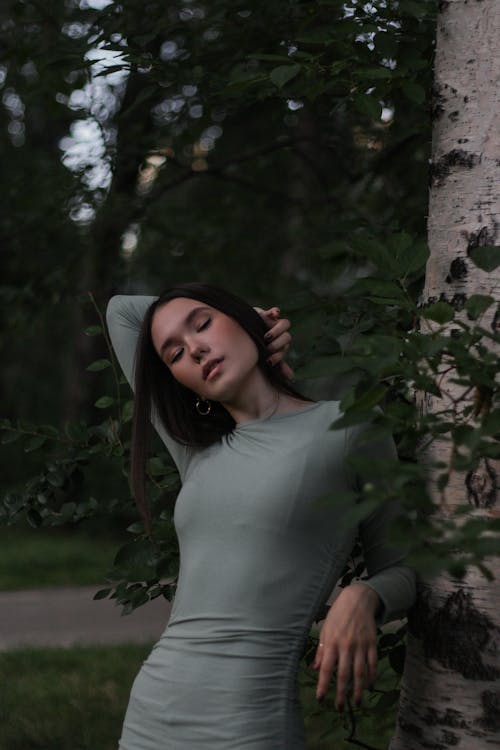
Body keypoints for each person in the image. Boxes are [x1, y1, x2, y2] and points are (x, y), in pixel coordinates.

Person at [106, 282, 416, 750]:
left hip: (247, 722)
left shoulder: (348, 428)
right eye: (174, 354)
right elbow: (120, 312)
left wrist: (364, 595)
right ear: (180, 381)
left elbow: (406, 567)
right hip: (151, 714)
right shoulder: (196, 453)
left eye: (204, 323)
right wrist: (240, 319)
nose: (194, 348)